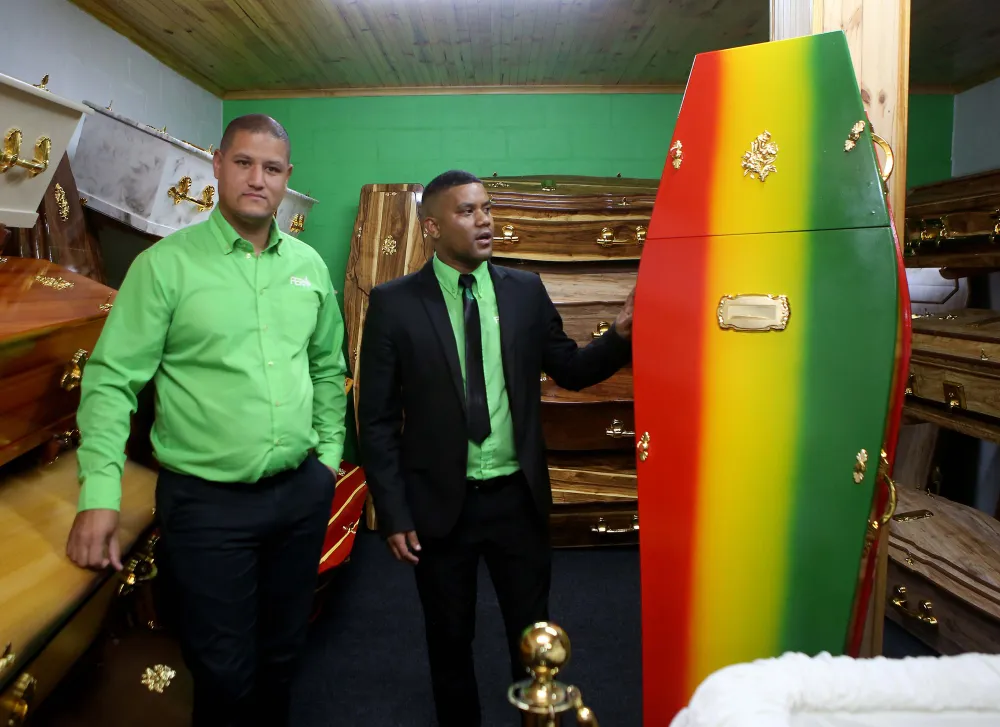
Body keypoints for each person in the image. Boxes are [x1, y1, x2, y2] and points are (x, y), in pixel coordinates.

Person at [65, 114, 348, 727]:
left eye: (271, 168)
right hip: (207, 505)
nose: (257, 179)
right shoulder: (165, 266)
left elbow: (328, 367)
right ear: (217, 165)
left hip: (299, 494)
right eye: (243, 162)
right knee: (223, 671)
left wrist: (327, 459)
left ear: (287, 178)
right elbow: (111, 381)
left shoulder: (309, 266)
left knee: (282, 656)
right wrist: (100, 494)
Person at [357, 170, 634, 726]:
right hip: (439, 507)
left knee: (531, 639)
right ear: (432, 227)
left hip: (517, 501)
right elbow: (378, 419)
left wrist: (620, 336)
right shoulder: (394, 303)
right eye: (467, 211)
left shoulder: (524, 291)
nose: (484, 220)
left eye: (486, 208)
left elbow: (571, 369)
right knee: (449, 638)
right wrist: (394, 512)